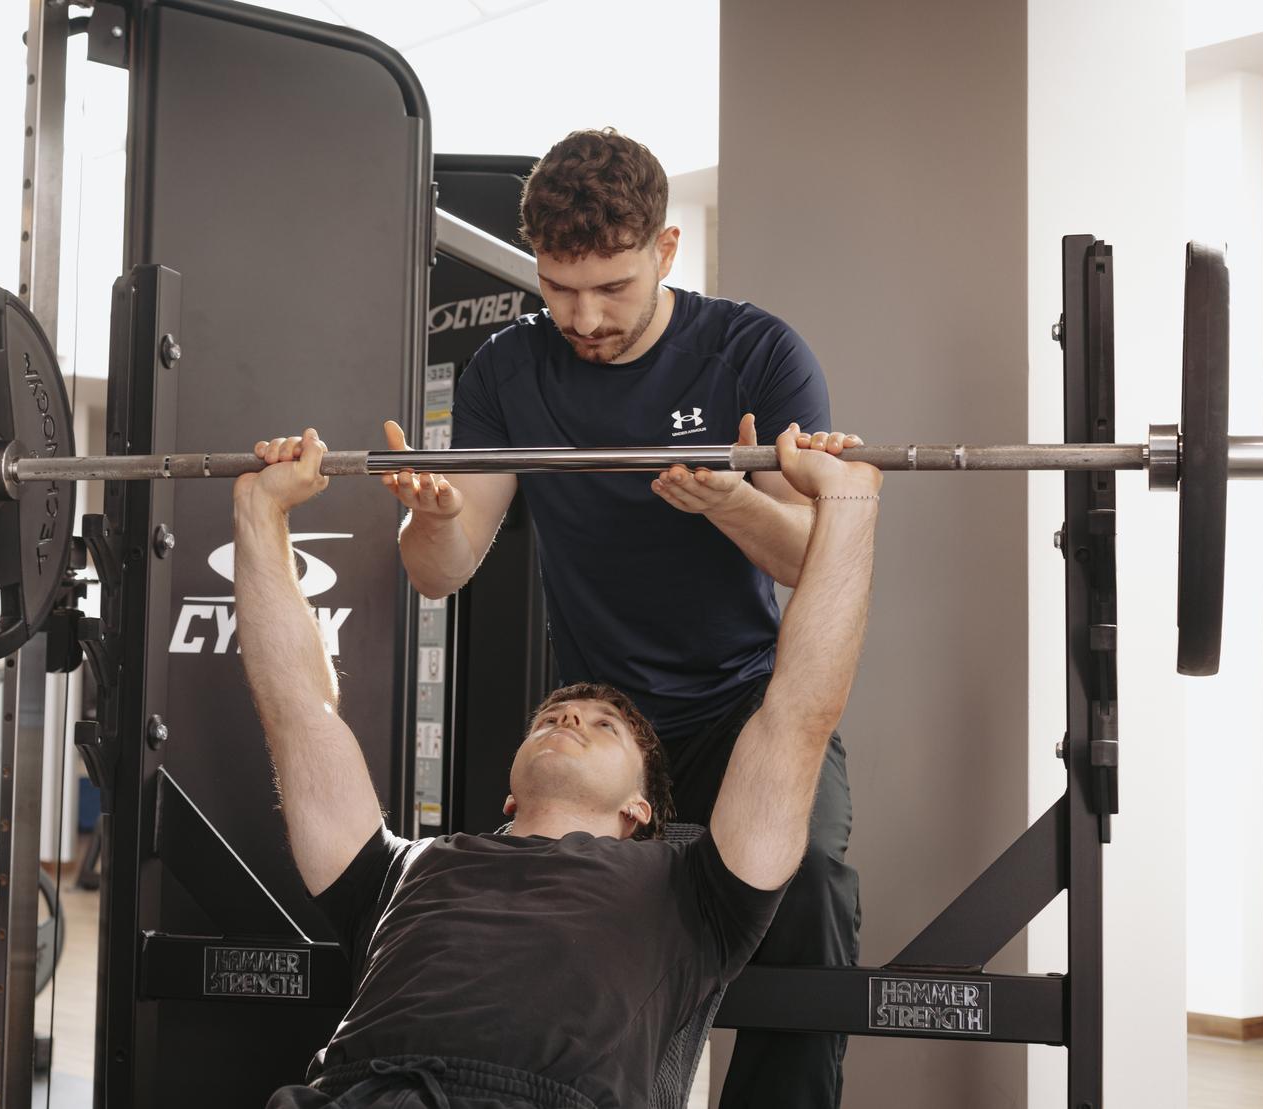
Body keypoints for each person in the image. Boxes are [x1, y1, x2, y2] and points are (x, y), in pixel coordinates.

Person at [383, 127, 857, 1105]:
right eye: (559, 289)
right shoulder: (507, 372)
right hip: (605, 719)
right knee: (554, 927)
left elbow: (823, 556)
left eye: (612, 288)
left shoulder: (752, 352)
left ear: (666, 251)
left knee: (803, 894)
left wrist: (735, 503)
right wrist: (428, 517)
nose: (584, 316)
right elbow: (443, 568)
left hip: (737, 707)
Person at [234, 426, 879, 1109]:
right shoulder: (398, 872)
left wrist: (848, 500)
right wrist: (259, 510)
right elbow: (297, 710)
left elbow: (797, 713)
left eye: (604, 727)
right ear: (508, 795)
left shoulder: (694, 894)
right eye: (553, 716)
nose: (571, 717)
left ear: (640, 810)